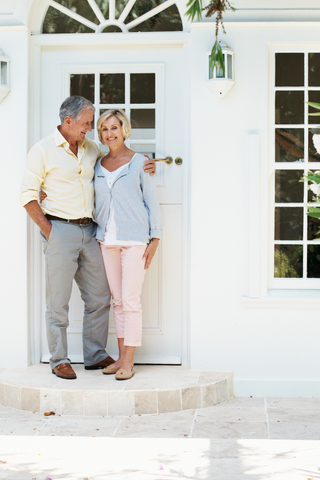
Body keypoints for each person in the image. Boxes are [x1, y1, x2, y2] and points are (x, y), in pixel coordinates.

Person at [20, 96, 156, 380]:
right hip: (60, 230)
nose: (91, 129)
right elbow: (28, 196)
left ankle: (94, 355)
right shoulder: (42, 151)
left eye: (93, 124)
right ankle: (59, 359)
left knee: (100, 296)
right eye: (86, 123)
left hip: (93, 231)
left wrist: (147, 164)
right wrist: (50, 231)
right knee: (58, 301)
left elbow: (119, 159)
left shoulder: (91, 149)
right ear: (67, 122)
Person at [94, 109, 161, 380]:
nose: (109, 134)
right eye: (104, 130)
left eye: (113, 128)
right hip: (106, 240)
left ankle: (129, 362)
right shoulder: (97, 165)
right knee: (118, 301)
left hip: (134, 240)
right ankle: (121, 357)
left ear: (124, 129)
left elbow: (152, 202)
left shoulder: (140, 163)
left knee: (131, 301)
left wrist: (155, 237)